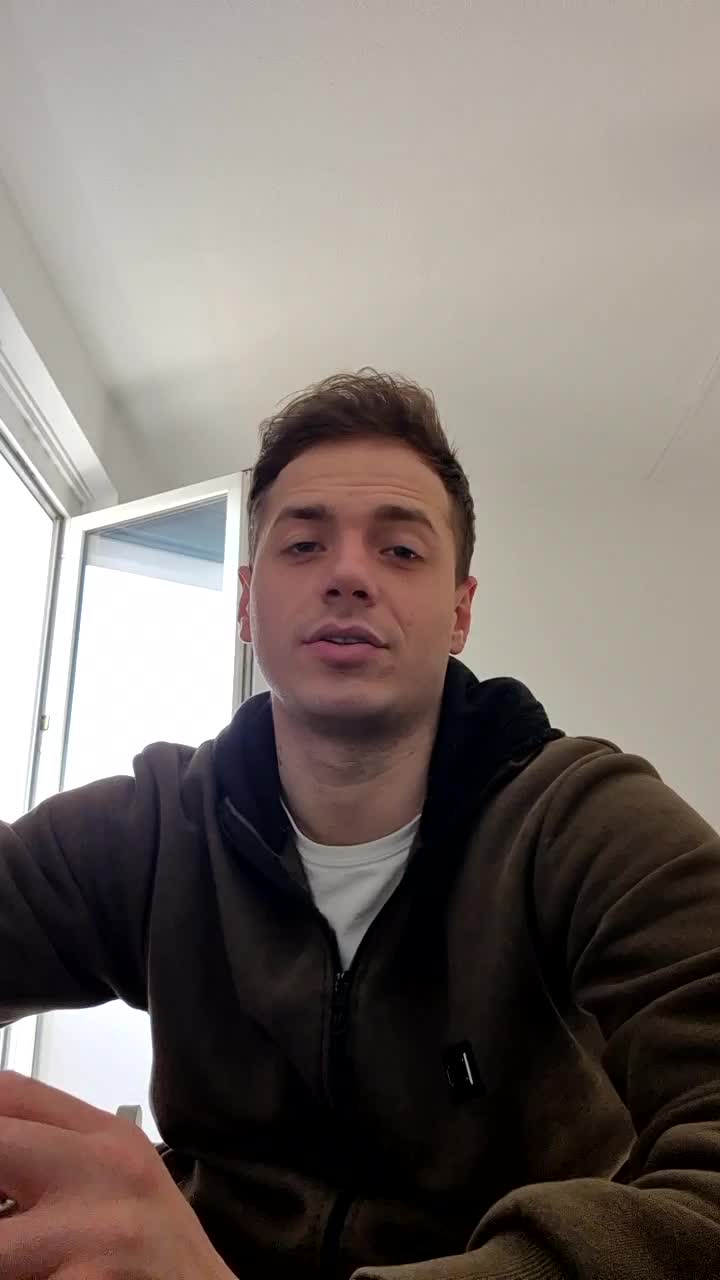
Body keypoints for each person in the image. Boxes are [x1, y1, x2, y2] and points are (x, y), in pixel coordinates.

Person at [1, 370, 720, 1280]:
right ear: (245, 604)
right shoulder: (148, 830)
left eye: (401, 550)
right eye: (304, 545)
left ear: (460, 612)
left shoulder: (587, 823)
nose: (347, 575)